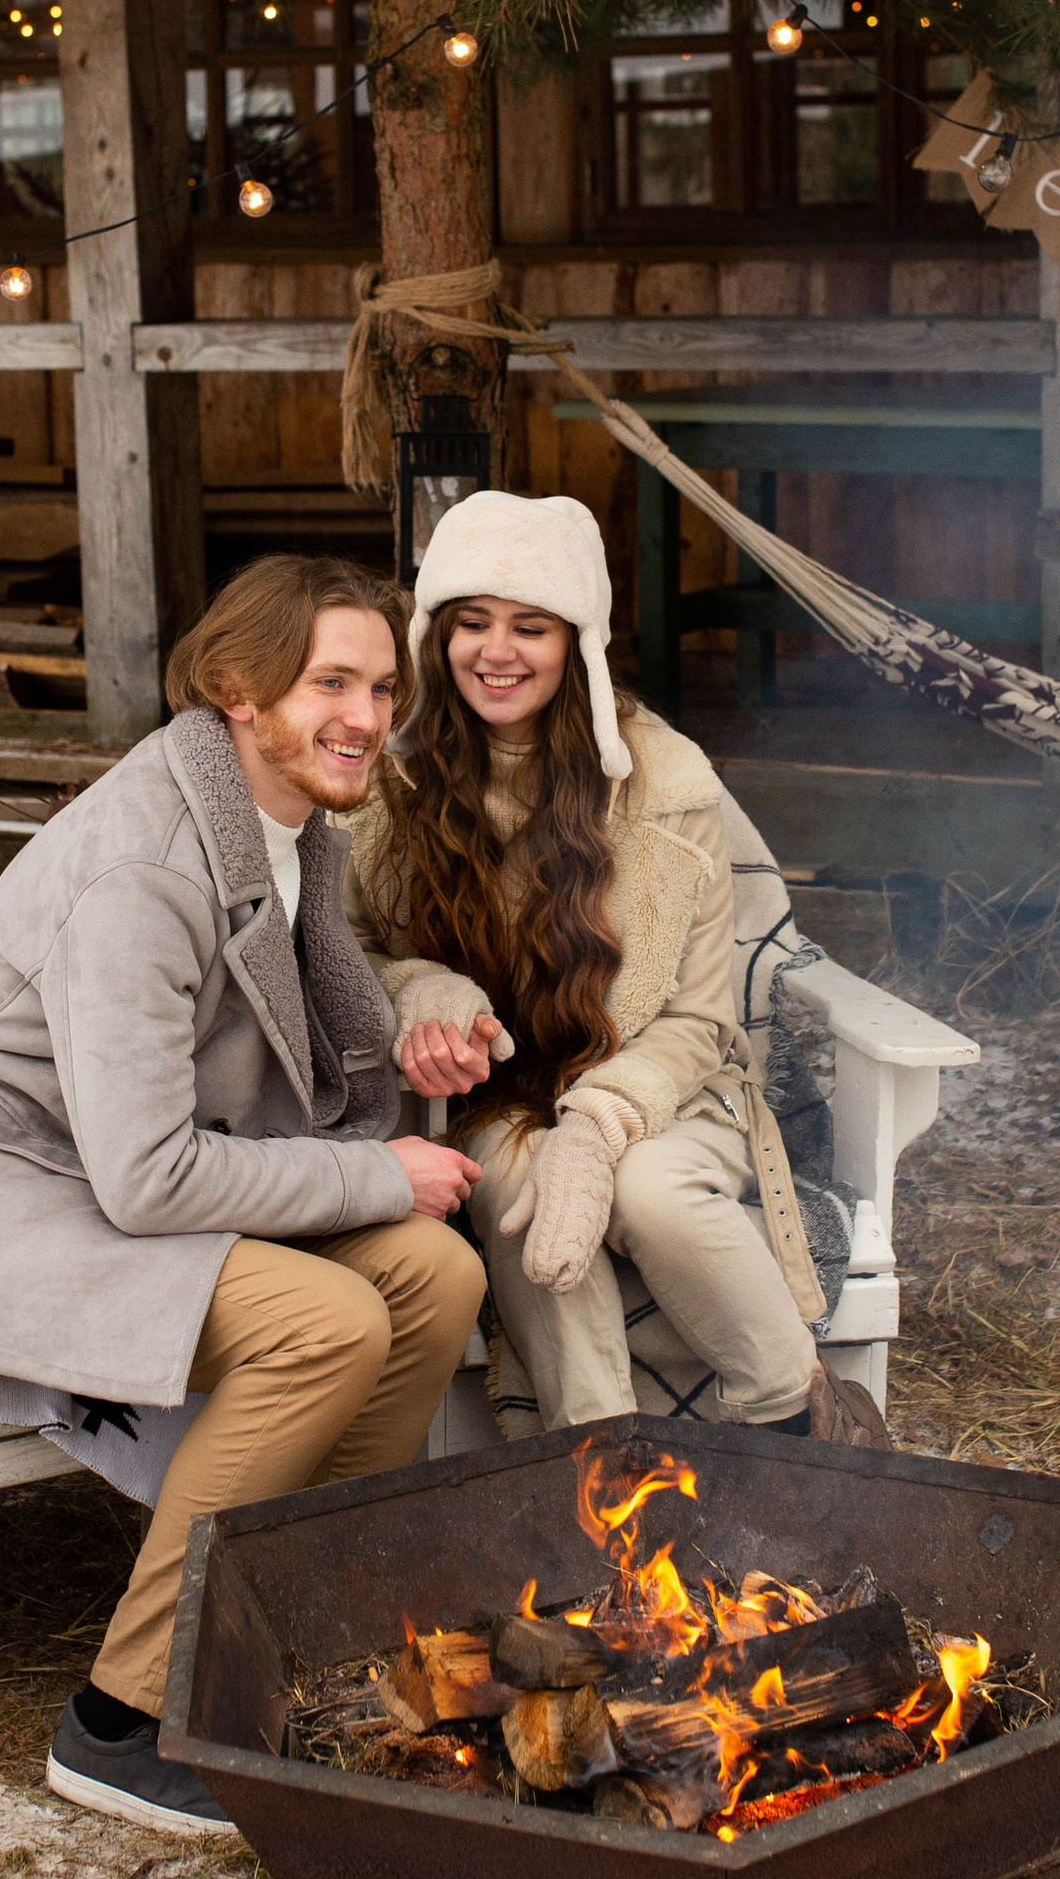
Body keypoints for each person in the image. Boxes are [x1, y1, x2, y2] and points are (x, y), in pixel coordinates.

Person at [0, 557, 485, 1835]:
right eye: (332, 682)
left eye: (382, 686)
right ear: (238, 692)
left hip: (105, 1179)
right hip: (13, 1206)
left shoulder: (288, 834)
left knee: (435, 1276)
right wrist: (372, 1171)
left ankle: (298, 1646)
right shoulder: (145, 870)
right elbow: (148, 1175)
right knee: (326, 1322)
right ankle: (122, 1718)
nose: (368, 717)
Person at [347, 490, 856, 1442]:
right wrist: (423, 988)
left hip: (664, 1087)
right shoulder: (396, 778)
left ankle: (797, 1418)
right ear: (435, 635)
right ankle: (598, 1468)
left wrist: (600, 1123)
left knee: (652, 1193)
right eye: (472, 624)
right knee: (516, 1196)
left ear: (576, 639)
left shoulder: (665, 783)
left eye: (529, 627)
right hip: (499, 1098)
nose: (497, 653)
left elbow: (702, 1020)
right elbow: (354, 947)